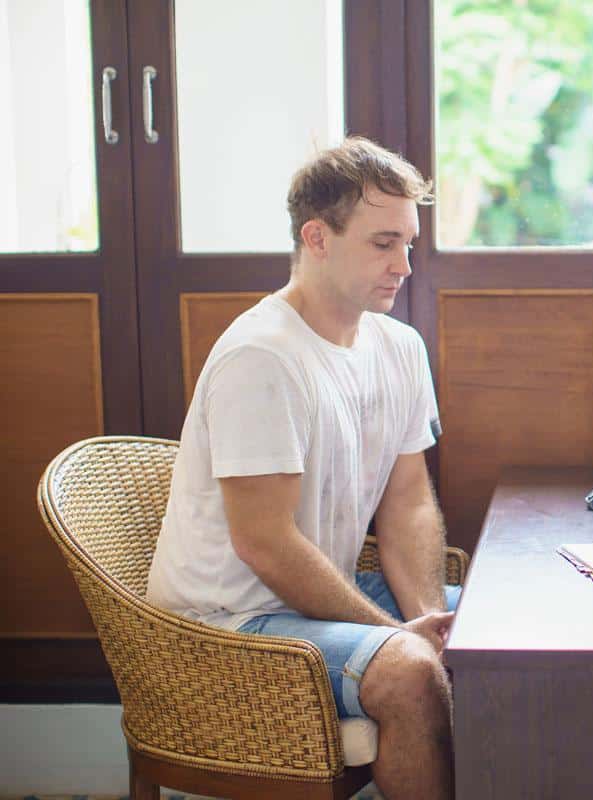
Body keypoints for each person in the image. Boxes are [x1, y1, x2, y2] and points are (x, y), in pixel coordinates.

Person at [147, 137, 456, 799]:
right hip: (225, 626)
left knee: (496, 628)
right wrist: (399, 637)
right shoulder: (261, 358)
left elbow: (408, 500)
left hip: (312, 602)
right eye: (382, 243)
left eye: (409, 242)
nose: (404, 264)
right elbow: (264, 542)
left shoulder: (399, 346)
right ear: (317, 237)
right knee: (407, 668)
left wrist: (428, 616)